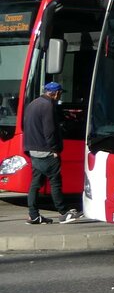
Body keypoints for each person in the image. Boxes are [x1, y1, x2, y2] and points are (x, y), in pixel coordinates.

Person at [23, 82, 80, 225]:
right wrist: (55, 149)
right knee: (55, 182)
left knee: (35, 184)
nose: (60, 95)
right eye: (60, 93)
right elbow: (50, 131)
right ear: (54, 93)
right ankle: (63, 213)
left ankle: (34, 215)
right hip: (46, 151)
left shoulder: (33, 104)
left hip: (33, 150)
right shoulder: (48, 106)